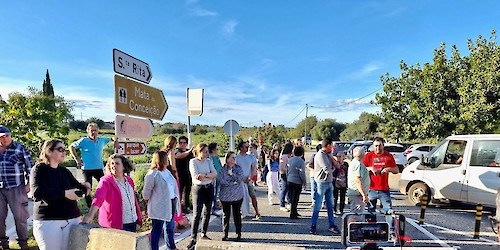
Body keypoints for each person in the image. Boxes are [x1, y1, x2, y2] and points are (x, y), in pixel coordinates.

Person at [30, 140, 91, 250]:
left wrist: (85, 187)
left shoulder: (64, 171)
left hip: (72, 219)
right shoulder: (39, 169)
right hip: (49, 221)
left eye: (65, 150)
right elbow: (37, 193)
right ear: (49, 151)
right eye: (60, 149)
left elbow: (79, 188)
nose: (64, 152)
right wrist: (64, 194)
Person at [82, 154, 142, 232]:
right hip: (116, 225)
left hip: (132, 221)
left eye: (117, 163)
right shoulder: (106, 181)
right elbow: (98, 198)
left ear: (124, 166)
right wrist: (90, 216)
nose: (114, 166)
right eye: (112, 164)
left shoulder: (129, 180)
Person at [69, 123, 117, 208]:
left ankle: (106, 205)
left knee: (105, 187)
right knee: (88, 189)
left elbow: (112, 138)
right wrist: (77, 159)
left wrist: (116, 141)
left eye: (95, 130)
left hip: (98, 168)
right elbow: (71, 147)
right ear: (88, 131)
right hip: (87, 169)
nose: (93, 132)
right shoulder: (83, 141)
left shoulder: (102, 140)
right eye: (91, 131)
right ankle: (90, 208)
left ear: (98, 131)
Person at [0, 125, 32, 250]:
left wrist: (29, 184)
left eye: (7, 135)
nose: (6, 138)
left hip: (16, 187)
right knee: (0, 217)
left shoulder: (19, 148)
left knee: (21, 217)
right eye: (2, 137)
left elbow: (30, 167)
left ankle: (23, 243)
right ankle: (3, 244)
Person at [143, 151, 180, 250]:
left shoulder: (167, 171)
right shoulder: (152, 174)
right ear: (161, 160)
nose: (168, 159)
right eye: (166, 158)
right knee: (157, 229)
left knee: (169, 227)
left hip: (170, 202)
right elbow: (146, 194)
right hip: (159, 205)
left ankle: (171, 247)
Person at [363, 137, 398, 236]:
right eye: (375, 146)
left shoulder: (388, 156)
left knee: (388, 211)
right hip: (371, 189)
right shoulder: (369, 156)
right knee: (370, 211)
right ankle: (370, 231)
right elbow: (361, 168)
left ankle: (390, 232)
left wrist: (388, 169)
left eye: (379, 145)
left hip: (384, 189)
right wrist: (370, 168)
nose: (377, 148)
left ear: (383, 145)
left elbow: (396, 170)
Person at [187, 143, 217, 250]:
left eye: (207, 151)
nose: (206, 153)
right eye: (204, 151)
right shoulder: (193, 162)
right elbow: (196, 176)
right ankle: (193, 237)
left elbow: (214, 174)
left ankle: (203, 233)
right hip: (198, 188)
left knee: (207, 211)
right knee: (197, 213)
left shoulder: (208, 161)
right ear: (199, 151)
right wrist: (207, 176)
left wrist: (204, 175)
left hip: (209, 187)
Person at [310, 138, 340, 235]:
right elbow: (327, 170)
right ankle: (313, 225)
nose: (333, 147)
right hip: (321, 183)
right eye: (331, 145)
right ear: (328, 145)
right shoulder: (320, 155)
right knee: (318, 205)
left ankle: (331, 225)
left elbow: (337, 165)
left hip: (329, 182)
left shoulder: (328, 155)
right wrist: (333, 168)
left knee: (330, 206)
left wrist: (332, 158)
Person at [218, 151, 244, 241]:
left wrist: (232, 174)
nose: (234, 159)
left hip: (237, 195)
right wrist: (233, 182)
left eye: (235, 157)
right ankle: (225, 233)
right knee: (226, 215)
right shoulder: (222, 169)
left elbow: (240, 179)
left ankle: (238, 233)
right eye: (232, 157)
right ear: (227, 159)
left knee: (237, 214)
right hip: (225, 196)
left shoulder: (238, 168)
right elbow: (222, 180)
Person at [236, 141, 261, 219]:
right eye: (246, 147)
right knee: (239, 197)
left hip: (249, 180)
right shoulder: (236, 158)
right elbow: (235, 169)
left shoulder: (250, 157)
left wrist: (250, 177)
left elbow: (253, 167)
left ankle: (257, 212)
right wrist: (241, 178)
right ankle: (239, 212)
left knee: (253, 195)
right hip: (240, 181)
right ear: (241, 148)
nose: (247, 148)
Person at [346, 147, 369, 214]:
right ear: (362, 154)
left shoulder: (353, 162)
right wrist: (364, 195)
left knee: (356, 214)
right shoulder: (358, 164)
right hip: (356, 194)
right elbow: (358, 180)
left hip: (356, 194)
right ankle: (350, 224)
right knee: (356, 215)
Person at [175, 136, 194, 214]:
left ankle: (187, 207)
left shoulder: (189, 152)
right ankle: (179, 210)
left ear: (186, 143)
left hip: (188, 175)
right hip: (179, 176)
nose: (182, 144)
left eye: (184, 143)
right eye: (180, 143)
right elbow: (179, 156)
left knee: (187, 192)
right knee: (179, 193)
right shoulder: (177, 151)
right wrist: (189, 151)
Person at [287, 146, 307, 219]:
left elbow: (287, 169)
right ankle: (293, 214)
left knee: (291, 197)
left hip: (290, 179)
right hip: (297, 181)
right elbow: (302, 173)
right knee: (296, 198)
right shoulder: (301, 161)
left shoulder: (290, 160)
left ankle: (294, 211)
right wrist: (304, 182)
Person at [279, 142, 293, 212]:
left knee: (288, 189)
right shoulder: (284, 156)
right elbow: (282, 167)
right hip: (284, 174)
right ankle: (282, 204)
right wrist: (288, 171)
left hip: (289, 174)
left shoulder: (289, 156)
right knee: (284, 189)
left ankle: (289, 203)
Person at [209, 142, 222, 215]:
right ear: (213, 150)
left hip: (218, 178)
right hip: (212, 179)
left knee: (217, 193)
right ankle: (211, 209)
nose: (217, 150)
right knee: (213, 193)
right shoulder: (209, 158)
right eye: (216, 149)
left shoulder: (217, 157)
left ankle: (214, 207)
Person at [307, 144, 322, 208]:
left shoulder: (325, 156)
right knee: (314, 189)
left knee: (321, 189)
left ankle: (322, 203)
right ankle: (314, 202)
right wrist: (314, 171)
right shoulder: (314, 156)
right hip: (313, 175)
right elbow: (308, 165)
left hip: (321, 176)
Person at [333, 151, 348, 215]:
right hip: (336, 182)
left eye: (340, 156)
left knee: (342, 197)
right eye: (337, 156)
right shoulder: (335, 164)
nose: (338, 158)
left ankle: (341, 209)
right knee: (334, 197)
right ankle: (334, 209)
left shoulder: (346, 164)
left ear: (343, 157)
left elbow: (347, 172)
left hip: (343, 182)